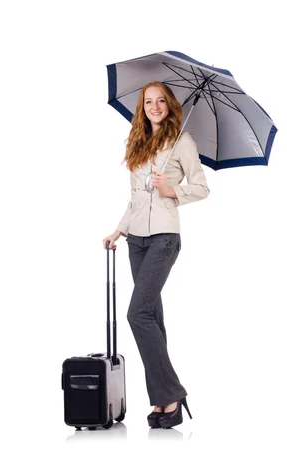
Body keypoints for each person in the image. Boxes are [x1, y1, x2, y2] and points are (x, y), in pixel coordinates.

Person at [102, 81, 209, 429]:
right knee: (153, 319)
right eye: (149, 101)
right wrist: (120, 228)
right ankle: (164, 402)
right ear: (141, 107)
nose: (155, 106)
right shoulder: (137, 143)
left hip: (164, 238)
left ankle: (173, 393)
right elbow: (135, 197)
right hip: (137, 241)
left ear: (170, 104)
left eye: (161, 100)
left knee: (138, 314)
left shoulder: (183, 142)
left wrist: (171, 189)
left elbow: (202, 187)